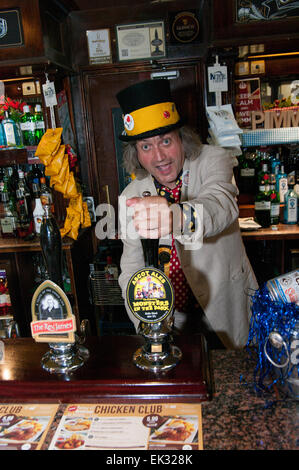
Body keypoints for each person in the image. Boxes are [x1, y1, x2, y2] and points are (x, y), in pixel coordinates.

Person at [116, 79, 258, 349]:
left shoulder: (213, 159)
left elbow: (221, 205)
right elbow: (131, 269)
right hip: (171, 319)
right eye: (146, 146)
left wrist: (174, 217)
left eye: (165, 141)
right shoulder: (130, 195)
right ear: (136, 153)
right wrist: (147, 321)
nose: (159, 156)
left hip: (224, 307)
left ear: (182, 137)